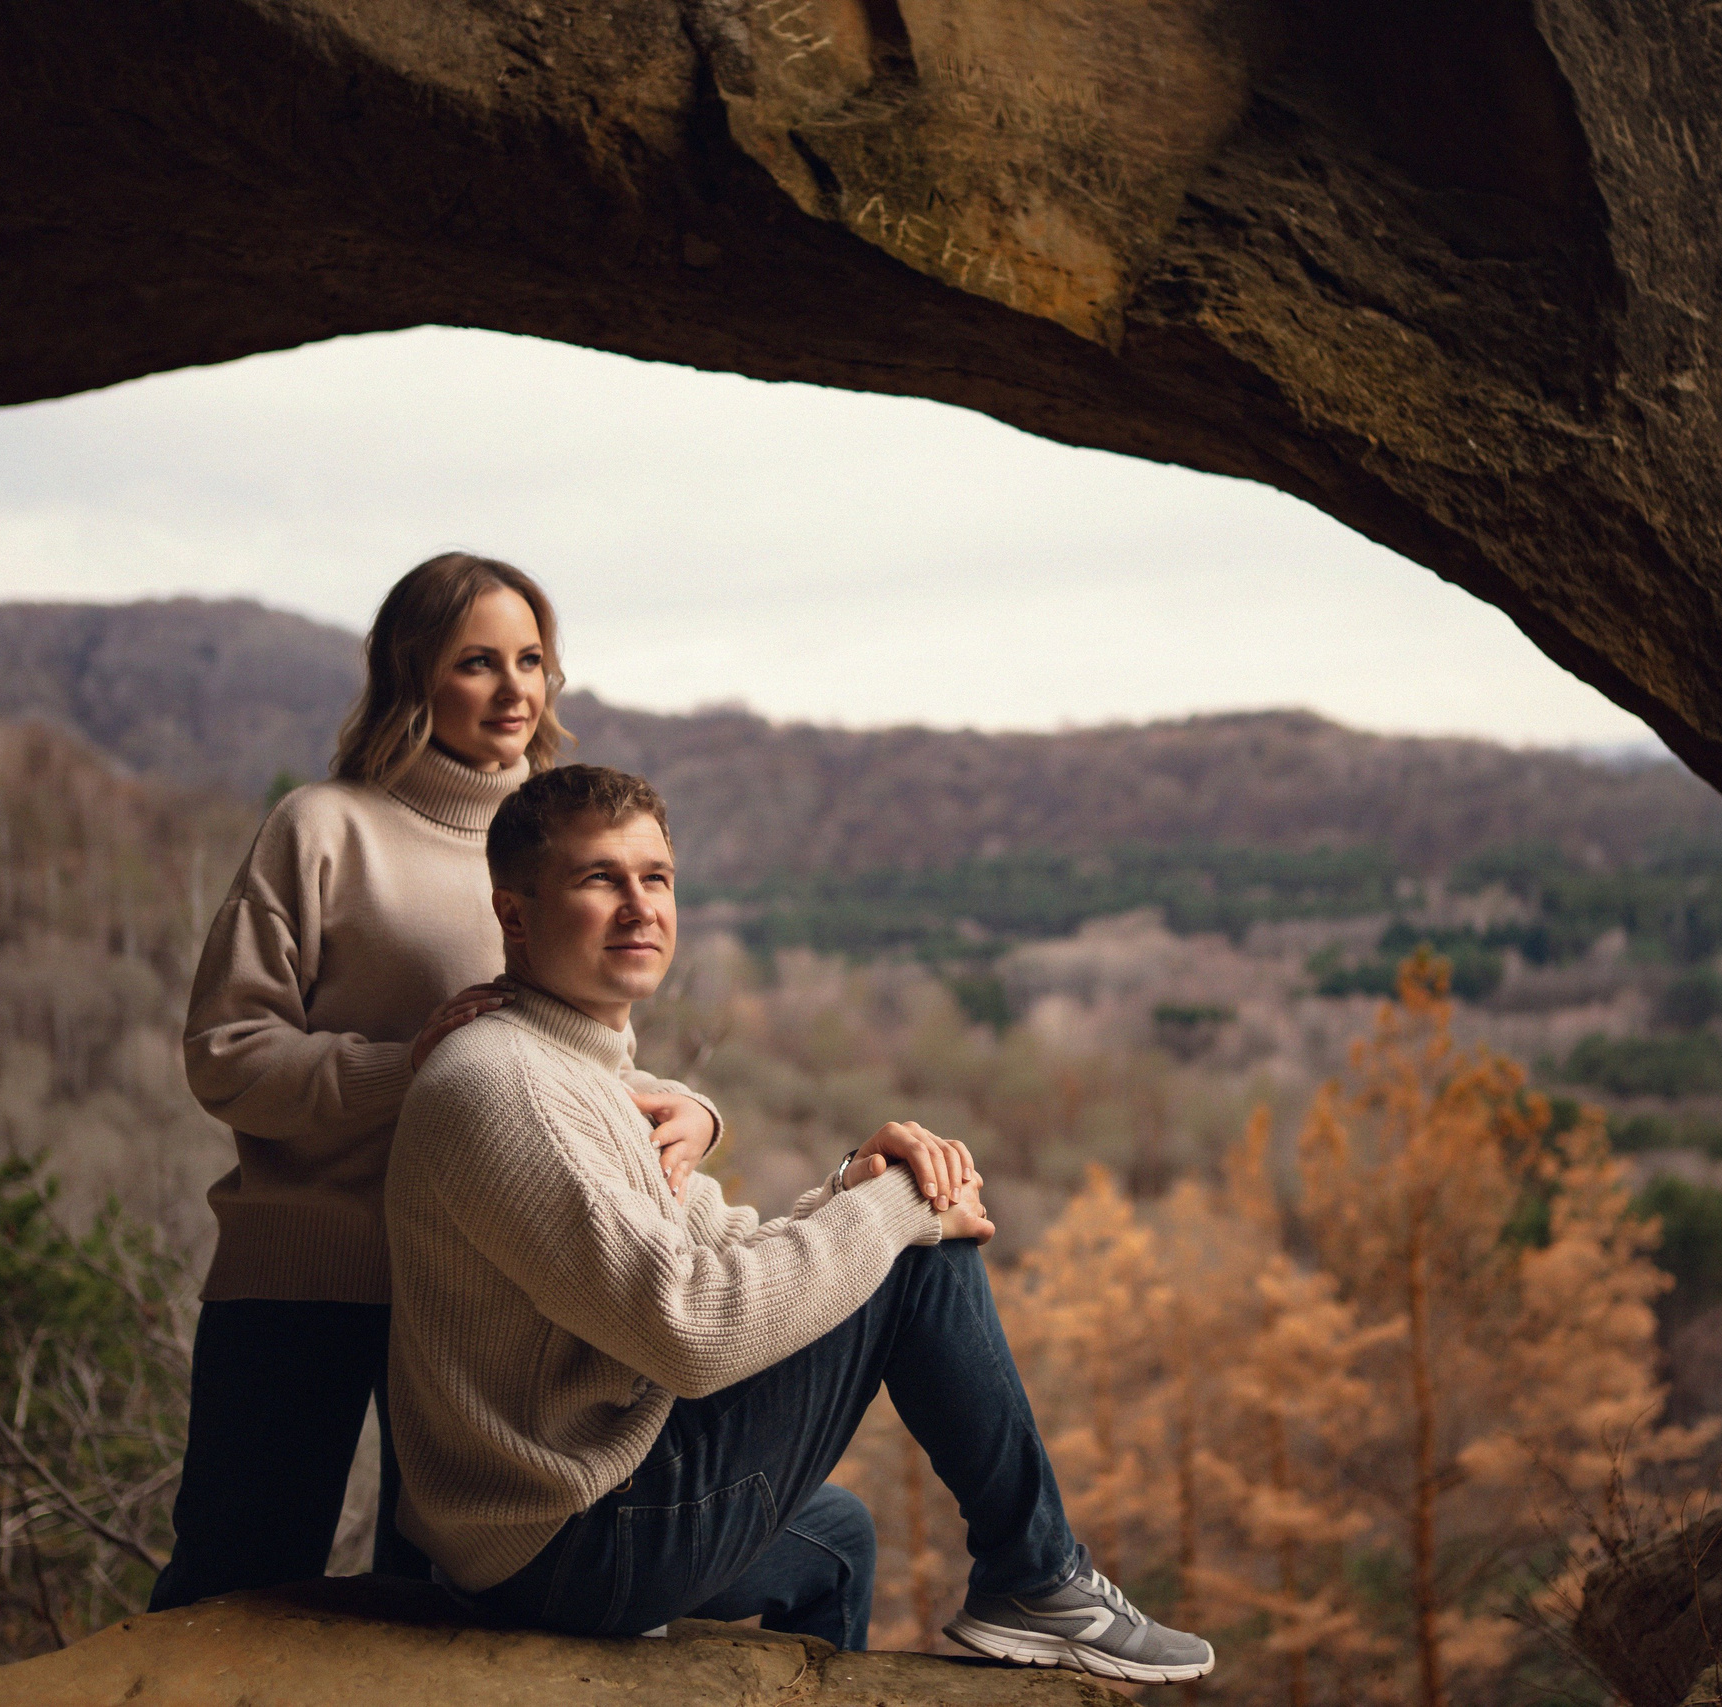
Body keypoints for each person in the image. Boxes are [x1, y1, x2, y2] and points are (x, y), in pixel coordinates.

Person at [382, 765, 1216, 1683]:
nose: (639, 906)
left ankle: (1015, 1588)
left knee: (837, 1535)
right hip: (565, 1538)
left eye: (655, 878)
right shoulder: (507, 1084)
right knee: (914, 1254)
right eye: (598, 879)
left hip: (553, 1528)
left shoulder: (584, 1073)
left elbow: (714, 1244)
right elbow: (688, 1328)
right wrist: (897, 1208)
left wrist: (848, 1186)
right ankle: (1038, 1576)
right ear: (514, 913)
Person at [151, 555, 725, 1612]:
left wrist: (692, 1108)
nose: (515, 691)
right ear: (412, 674)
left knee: (439, 1611)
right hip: (306, 1276)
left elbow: (582, 1053)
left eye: (532, 661)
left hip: (478, 1296)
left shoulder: (556, 838)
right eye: (477, 663)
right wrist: (403, 1065)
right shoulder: (321, 827)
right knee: (235, 1579)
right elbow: (225, 1055)